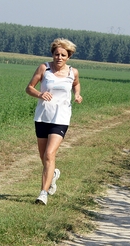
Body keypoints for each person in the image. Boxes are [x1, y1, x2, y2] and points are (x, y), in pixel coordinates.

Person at [25, 38, 83, 205]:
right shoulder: (45, 68)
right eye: (56, 54)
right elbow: (29, 87)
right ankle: (53, 174)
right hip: (43, 116)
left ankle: (43, 193)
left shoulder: (73, 72)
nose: (59, 57)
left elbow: (76, 85)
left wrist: (77, 94)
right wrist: (39, 94)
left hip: (61, 117)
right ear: (52, 54)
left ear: (68, 56)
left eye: (63, 55)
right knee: (43, 156)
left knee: (50, 154)